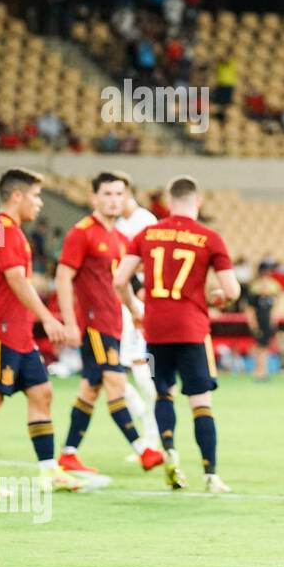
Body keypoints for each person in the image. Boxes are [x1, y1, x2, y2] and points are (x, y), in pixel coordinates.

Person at [114, 176, 241, 493]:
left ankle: (169, 451)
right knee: (201, 402)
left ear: (169, 203)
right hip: (192, 331)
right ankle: (211, 475)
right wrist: (218, 297)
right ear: (197, 202)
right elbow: (232, 290)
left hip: (155, 332)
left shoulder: (148, 233)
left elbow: (119, 280)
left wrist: (135, 308)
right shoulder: (209, 238)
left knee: (162, 391)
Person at [0, 169, 78, 495]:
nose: (39, 203)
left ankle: (49, 473)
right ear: (17, 196)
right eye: (35, 196)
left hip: (18, 333)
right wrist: (48, 318)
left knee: (42, 392)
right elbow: (16, 280)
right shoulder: (0, 230)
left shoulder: (13, 233)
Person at [54, 172, 161, 474]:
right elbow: (63, 276)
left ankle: (68, 454)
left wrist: (135, 310)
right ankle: (144, 450)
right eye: (107, 194)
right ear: (94, 198)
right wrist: (70, 322)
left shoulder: (121, 239)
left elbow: (121, 284)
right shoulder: (82, 232)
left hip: (115, 322)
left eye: (119, 195)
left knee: (90, 389)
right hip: (94, 324)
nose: (114, 200)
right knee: (115, 381)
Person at [114, 177, 162, 459]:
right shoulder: (117, 226)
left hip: (140, 302)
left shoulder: (146, 221)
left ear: (128, 194)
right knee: (114, 372)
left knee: (142, 372)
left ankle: (153, 437)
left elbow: (152, 261)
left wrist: (142, 296)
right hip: (120, 302)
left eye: (118, 194)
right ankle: (148, 427)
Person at [245, 260, 281, 381]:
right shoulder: (254, 288)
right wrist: (253, 324)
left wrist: (273, 321)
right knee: (259, 347)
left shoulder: (273, 287)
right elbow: (250, 309)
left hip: (267, 322)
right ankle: (258, 371)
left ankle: (262, 371)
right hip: (259, 321)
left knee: (265, 347)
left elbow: (274, 307)